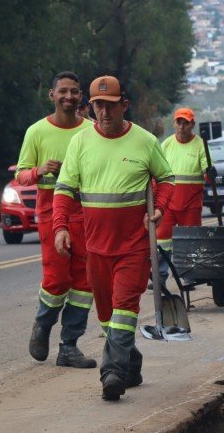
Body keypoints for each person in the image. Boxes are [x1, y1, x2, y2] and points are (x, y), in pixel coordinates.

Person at [52, 75, 175, 401]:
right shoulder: (80, 143)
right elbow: (64, 190)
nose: (104, 113)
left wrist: (159, 208)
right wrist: (60, 227)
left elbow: (166, 179)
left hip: (133, 247)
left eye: (109, 106)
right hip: (95, 248)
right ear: (90, 107)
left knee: (124, 309)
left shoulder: (145, 141)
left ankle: (113, 374)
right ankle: (131, 362)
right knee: (108, 318)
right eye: (97, 106)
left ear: (124, 104)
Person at [17, 71, 96, 369]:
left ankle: (70, 346)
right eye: (63, 91)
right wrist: (40, 171)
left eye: (75, 92)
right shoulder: (36, 132)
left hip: (85, 210)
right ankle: (43, 324)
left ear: (80, 97)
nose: (69, 97)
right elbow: (20, 175)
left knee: (84, 280)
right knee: (58, 277)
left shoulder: (91, 131)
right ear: (52, 95)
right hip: (51, 210)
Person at [155, 107, 216, 284]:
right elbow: (158, 170)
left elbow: (206, 170)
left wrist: (210, 173)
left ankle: (190, 275)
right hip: (168, 202)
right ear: (174, 124)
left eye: (186, 123)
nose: (182, 126)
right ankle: (160, 277)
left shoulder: (200, 145)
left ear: (192, 125)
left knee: (191, 240)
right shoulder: (166, 144)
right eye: (179, 122)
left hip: (191, 202)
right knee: (163, 240)